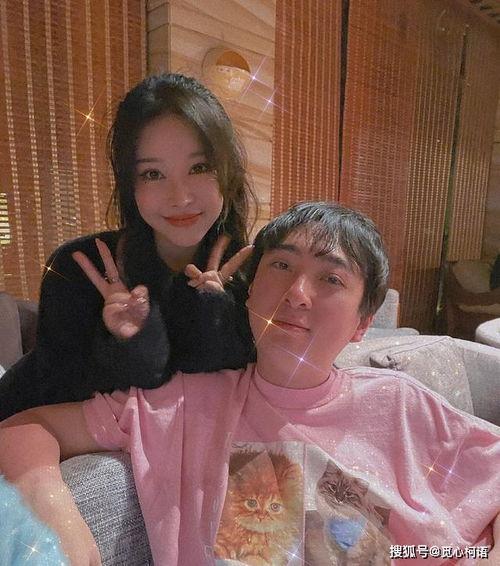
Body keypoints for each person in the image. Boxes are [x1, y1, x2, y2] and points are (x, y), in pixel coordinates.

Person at [1, 202, 499, 565]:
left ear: (363, 324)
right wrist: (55, 514)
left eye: (330, 279)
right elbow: (27, 429)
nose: (297, 293)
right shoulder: (184, 406)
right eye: (281, 265)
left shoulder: (398, 401)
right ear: (250, 290)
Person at [0, 72, 257, 420]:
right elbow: (59, 396)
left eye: (199, 167)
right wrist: (130, 340)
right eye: (153, 174)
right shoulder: (80, 268)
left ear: (228, 172)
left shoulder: (255, 277)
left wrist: (211, 315)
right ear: (129, 184)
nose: (180, 197)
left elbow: (230, 398)